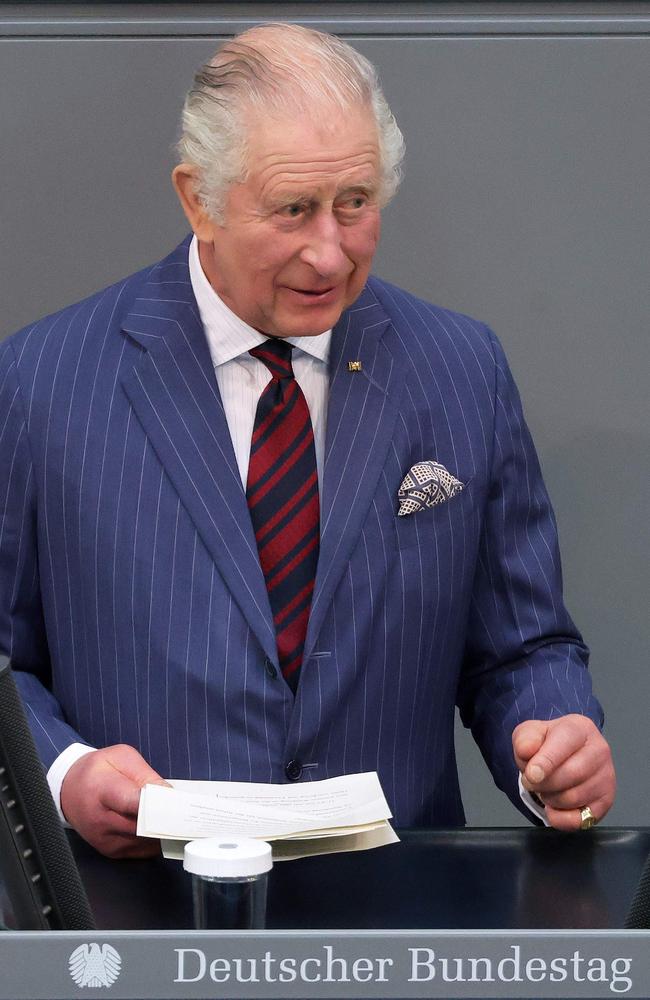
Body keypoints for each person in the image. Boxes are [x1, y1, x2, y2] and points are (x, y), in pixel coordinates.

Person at [0, 23, 615, 859]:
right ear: (197, 199)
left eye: (355, 204)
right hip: (140, 914)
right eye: (293, 210)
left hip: (400, 926)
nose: (330, 252)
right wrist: (66, 774)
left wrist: (555, 739)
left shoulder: (461, 369)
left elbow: (522, 646)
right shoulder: (43, 381)